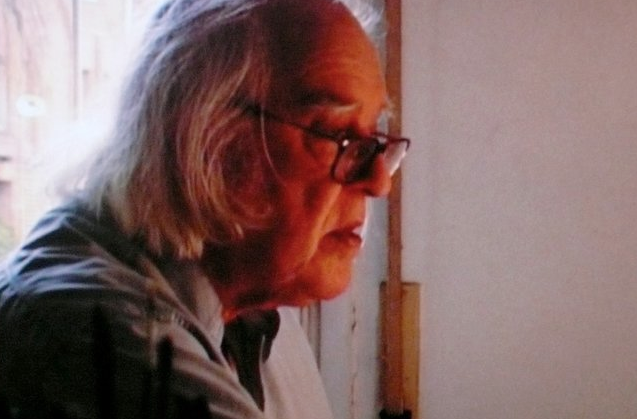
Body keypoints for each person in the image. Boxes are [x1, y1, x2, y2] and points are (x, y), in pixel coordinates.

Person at [0, 0, 410, 418]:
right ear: (203, 135)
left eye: (373, 141)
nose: (379, 181)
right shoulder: (103, 339)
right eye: (337, 134)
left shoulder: (255, 301)